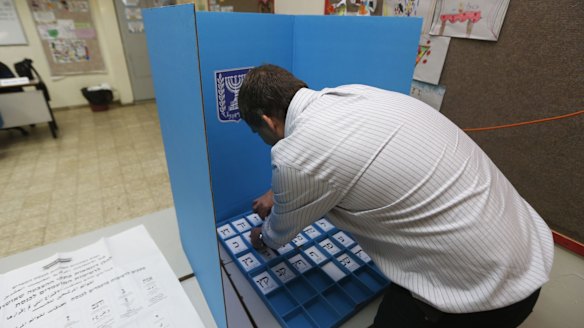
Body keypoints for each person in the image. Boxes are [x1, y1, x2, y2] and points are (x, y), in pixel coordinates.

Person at [237, 64, 554, 327]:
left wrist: (263, 237)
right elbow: (330, 162)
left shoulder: (296, 156)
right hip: (527, 246)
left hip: (484, 291)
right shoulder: (352, 94)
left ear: (267, 121)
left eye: (257, 133)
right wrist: (278, 192)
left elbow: (280, 232)